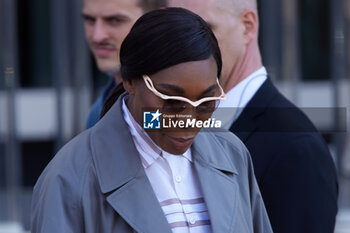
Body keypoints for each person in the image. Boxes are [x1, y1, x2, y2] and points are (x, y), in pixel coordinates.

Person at [31, 8, 273, 233]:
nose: (187, 121)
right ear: (129, 81)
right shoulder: (69, 176)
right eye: (172, 101)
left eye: (206, 103)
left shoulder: (232, 153)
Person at [168, 1, 338, 233]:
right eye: (173, 34)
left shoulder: (295, 147)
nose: (181, 49)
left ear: (247, 27)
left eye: (203, 30)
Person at [82, 0, 166, 128]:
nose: (97, 36)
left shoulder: (188, 107)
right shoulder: (98, 113)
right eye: (90, 20)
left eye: (115, 21)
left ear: (158, 21)